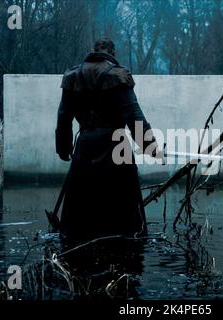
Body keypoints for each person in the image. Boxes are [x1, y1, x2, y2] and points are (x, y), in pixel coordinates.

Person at [55, 37, 161, 242]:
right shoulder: (118, 75)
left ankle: (77, 257)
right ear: (113, 54)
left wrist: (64, 148)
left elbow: (64, 116)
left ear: (92, 50)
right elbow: (134, 116)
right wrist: (150, 148)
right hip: (116, 148)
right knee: (124, 222)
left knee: (79, 216)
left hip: (84, 148)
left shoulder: (72, 76)